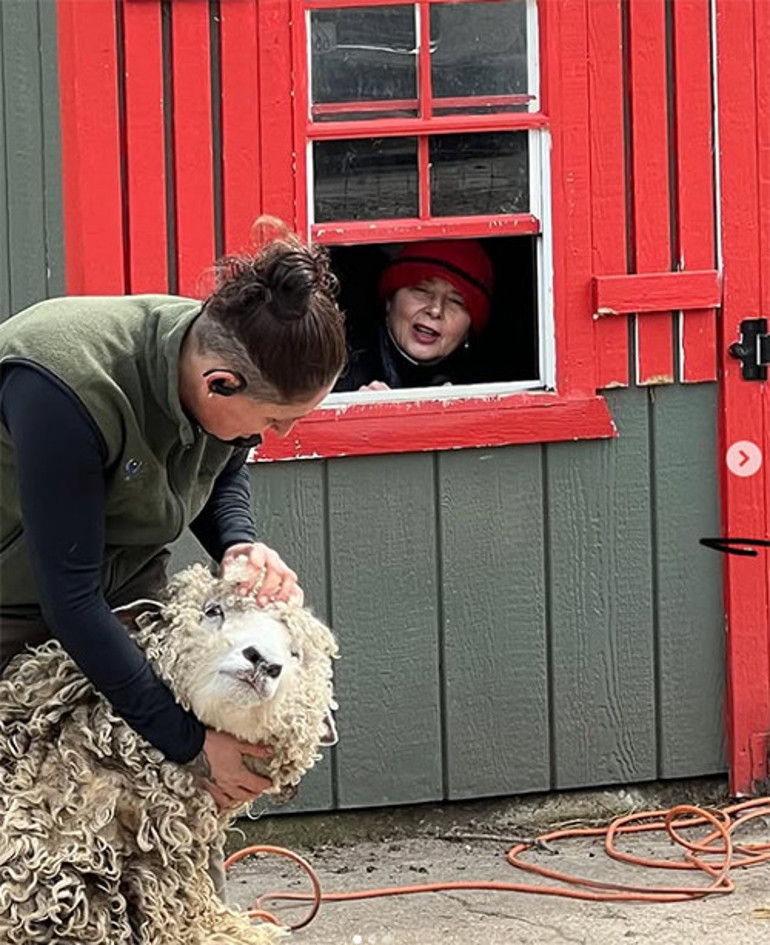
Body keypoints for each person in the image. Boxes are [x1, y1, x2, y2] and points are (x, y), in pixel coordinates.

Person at [0, 223, 346, 893]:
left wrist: (239, 540)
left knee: (164, 800)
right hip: (17, 590)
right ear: (219, 382)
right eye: (273, 422)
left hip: (118, 576)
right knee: (24, 809)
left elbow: (223, 464)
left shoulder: (226, 352)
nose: (270, 438)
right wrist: (191, 745)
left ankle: (188, 920)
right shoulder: (64, 383)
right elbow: (68, 599)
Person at [334, 238, 494, 392]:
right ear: (390, 300)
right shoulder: (338, 368)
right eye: (422, 291)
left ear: (468, 330)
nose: (435, 310)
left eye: (455, 301)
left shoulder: (488, 383)